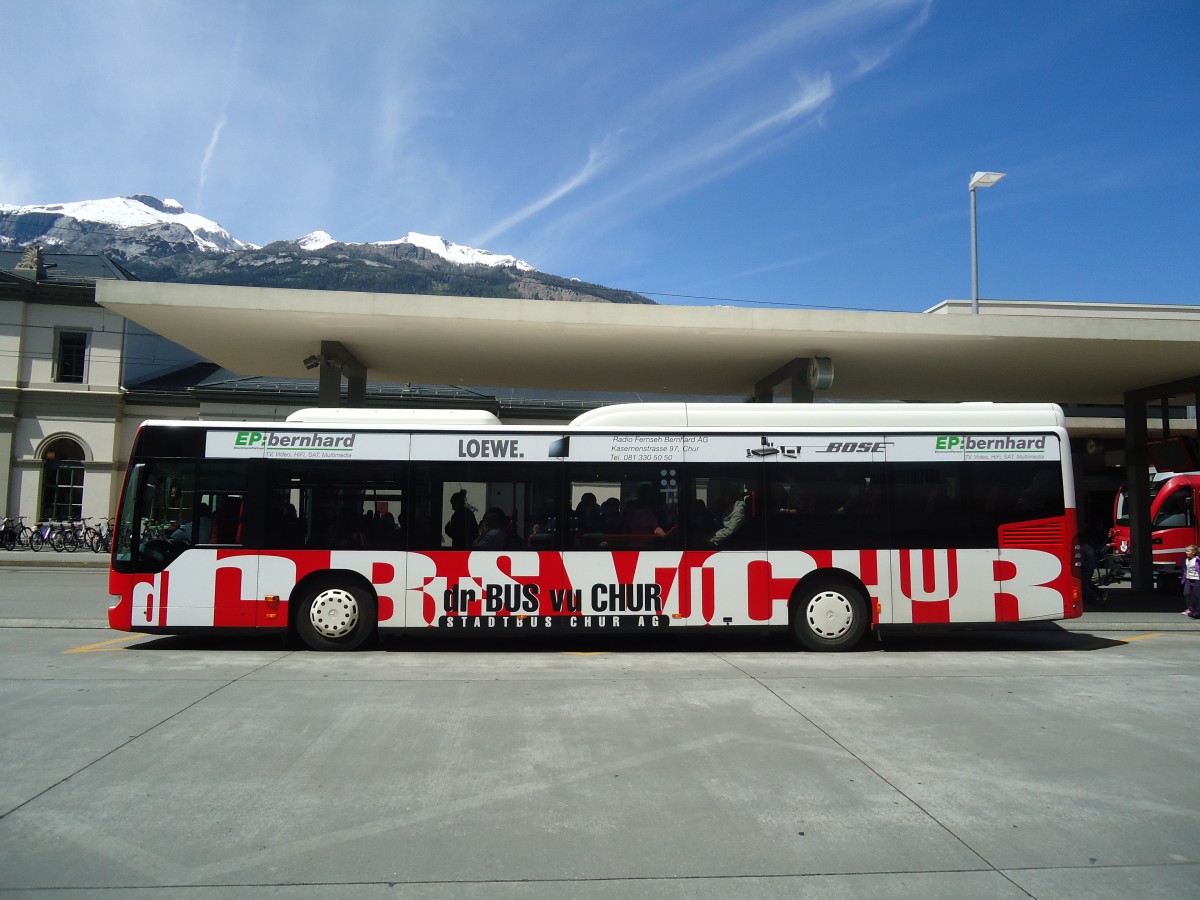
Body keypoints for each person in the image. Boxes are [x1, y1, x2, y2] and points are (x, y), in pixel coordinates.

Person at [1181, 544, 1200, 618]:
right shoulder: (1185, 560)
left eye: (1188, 551)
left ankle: (1198, 611)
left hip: (1197, 580)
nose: (1186, 552)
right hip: (1188, 579)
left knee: (1197, 596)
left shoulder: (1197, 560)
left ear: (1194, 552)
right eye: (1186, 551)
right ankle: (1190, 609)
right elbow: (1185, 570)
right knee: (1186, 593)